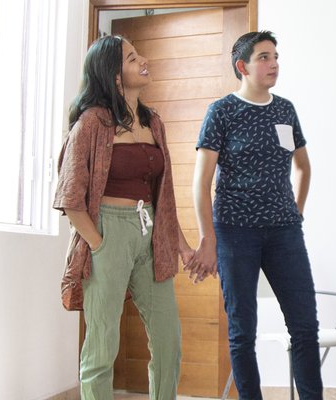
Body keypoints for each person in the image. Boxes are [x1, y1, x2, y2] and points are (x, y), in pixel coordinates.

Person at [53, 35, 196, 400]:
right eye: (133, 58)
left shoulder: (153, 122)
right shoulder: (91, 123)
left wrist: (181, 245)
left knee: (168, 341)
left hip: (151, 232)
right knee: (102, 345)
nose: (143, 60)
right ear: (116, 77)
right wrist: (99, 244)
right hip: (108, 232)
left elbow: (164, 196)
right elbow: (71, 198)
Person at [188, 31, 322, 400]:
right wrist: (208, 238)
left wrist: (295, 214)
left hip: (284, 233)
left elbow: (304, 168)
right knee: (243, 331)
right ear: (242, 66)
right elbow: (200, 183)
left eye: (275, 56)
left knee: (305, 327)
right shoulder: (222, 112)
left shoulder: (285, 109)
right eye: (264, 57)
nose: (274, 63)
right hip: (234, 233)